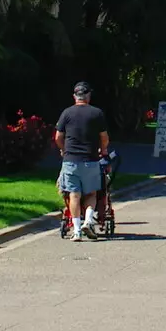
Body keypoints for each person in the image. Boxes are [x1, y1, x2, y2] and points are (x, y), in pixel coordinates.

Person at [54, 81, 109, 241]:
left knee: (74, 195)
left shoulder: (67, 113)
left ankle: (77, 230)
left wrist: (63, 149)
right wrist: (103, 149)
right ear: (88, 96)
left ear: (74, 96)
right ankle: (88, 220)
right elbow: (104, 137)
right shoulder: (97, 113)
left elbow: (58, 136)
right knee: (91, 193)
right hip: (90, 160)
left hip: (70, 160)